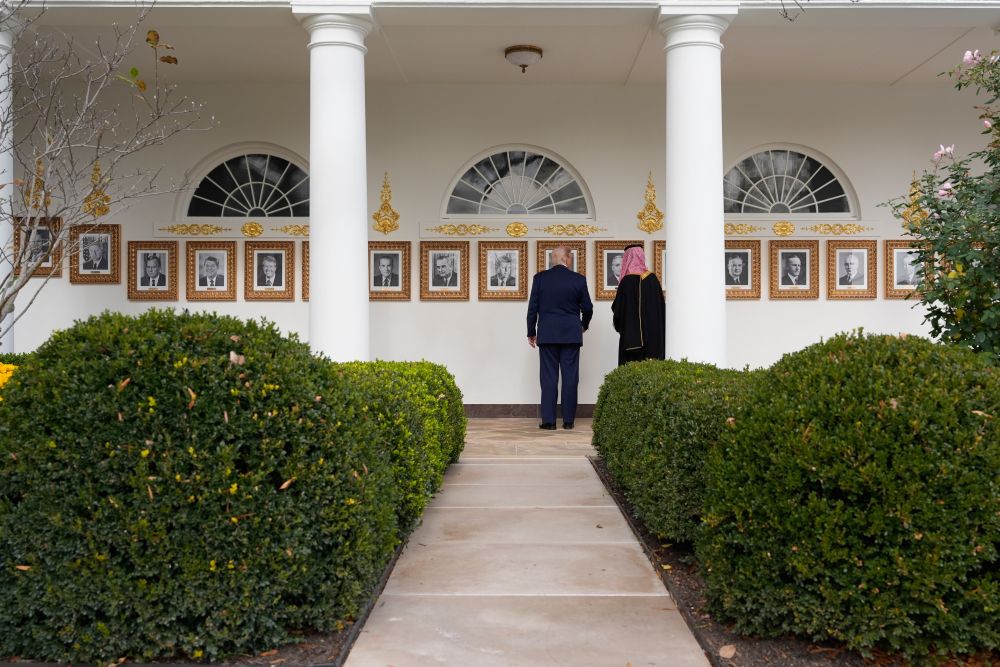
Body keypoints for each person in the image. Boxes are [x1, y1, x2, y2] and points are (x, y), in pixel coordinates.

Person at [526, 245, 593, 430]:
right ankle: (569, 421)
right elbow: (588, 308)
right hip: (571, 334)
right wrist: (583, 325)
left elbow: (533, 308)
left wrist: (531, 331)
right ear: (567, 259)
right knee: (570, 377)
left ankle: (549, 421)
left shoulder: (540, 279)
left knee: (548, 377)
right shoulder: (578, 280)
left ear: (554, 259)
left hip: (547, 334)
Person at [611, 243, 665, 366]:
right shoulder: (652, 279)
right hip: (653, 338)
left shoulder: (626, 282)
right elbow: (661, 309)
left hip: (631, 341)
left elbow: (618, 311)